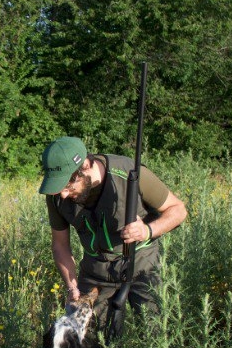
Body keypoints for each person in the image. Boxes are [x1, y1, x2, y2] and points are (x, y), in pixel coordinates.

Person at [39, 136, 187, 329]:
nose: (63, 194)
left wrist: (147, 231)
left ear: (85, 166)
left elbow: (178, 210)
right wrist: (72, 286)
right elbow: (60, 245)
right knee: (89, 344)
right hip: (95, 271)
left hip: (142, 265)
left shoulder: (129, 173)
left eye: (68, 185)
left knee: (156, 335)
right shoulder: (57, 195)